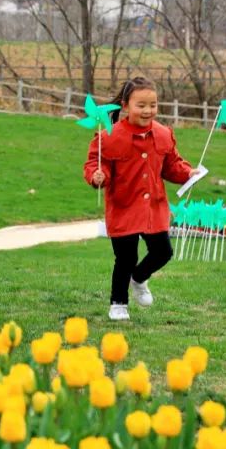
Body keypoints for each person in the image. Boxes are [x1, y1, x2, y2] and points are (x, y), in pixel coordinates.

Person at [83, 76, 199, 322]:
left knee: (163, 252)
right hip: (124, 206)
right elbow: (96, 163)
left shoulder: (164, 134)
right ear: (125, 106)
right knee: (125, 258)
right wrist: (97, 175)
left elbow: (172, 165)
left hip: (153, 207)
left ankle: (139, 278)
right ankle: (118, 302)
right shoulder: (110, 137)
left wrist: (188, 173)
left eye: (153, 105)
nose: (148, 111)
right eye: (141, 105)